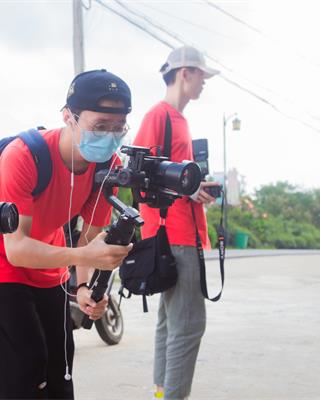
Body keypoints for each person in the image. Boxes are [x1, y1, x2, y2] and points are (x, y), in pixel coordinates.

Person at [0, 69, 134, 399]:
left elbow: (89, 239)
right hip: (3, 267)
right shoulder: (24, 156)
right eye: (100, 126)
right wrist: (83, 256)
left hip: (52, 268)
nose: (110, 137)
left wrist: (84, 287)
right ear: (68, 116)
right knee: (25, 373)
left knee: (60, 372)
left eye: (118, 127)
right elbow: (17, 249)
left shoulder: (108, 167)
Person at [132, 46, 222, 400]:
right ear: (185, 73)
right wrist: (188, 190)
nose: (204, 83)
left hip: (181, 229)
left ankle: (161, 393)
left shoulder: (178, 118)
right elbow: (138, 173)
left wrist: (194, 188)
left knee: (171, 321)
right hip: (174, 232)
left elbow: (170, 176)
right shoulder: (159, 115)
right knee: (189, 324)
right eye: (202, 75)